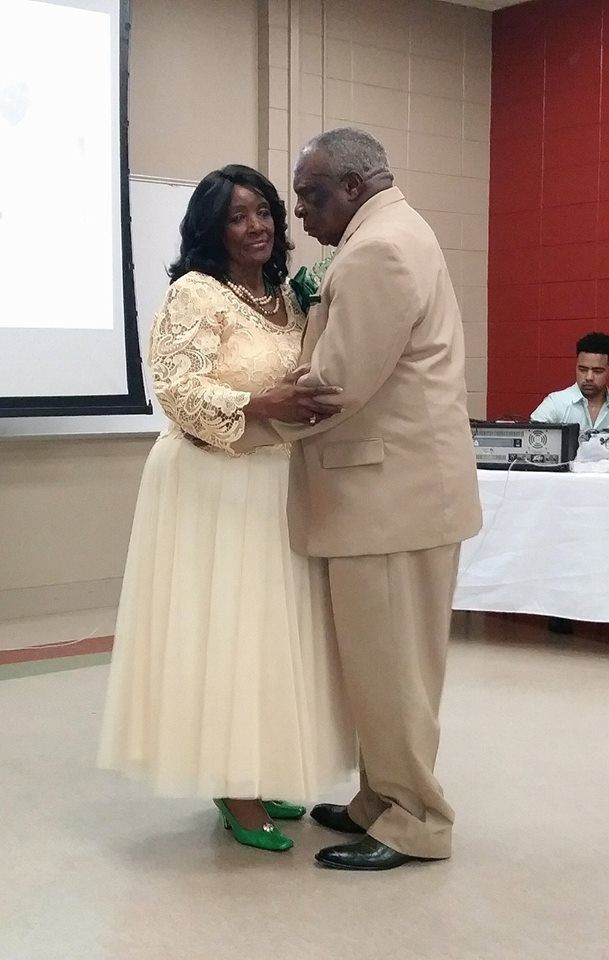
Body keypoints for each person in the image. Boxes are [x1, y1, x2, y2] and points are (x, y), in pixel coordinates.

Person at [243, 128, 482, 871]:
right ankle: (380, 800)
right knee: (380, 669)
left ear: (353, 187)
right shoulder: (393, 232)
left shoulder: (378, 250)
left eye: (310, 196)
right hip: (392, 495)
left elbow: (334, 386)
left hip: (388, 500)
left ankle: (417, 820)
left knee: (395, 675)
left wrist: (236, 419)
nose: (298, 214)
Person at [98, 164, 355, 852]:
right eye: (238, 217)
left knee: (269, 633)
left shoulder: (288, 296)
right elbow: (176, 389)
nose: (256, 226)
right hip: (212, 483)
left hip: (275, 482)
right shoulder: (194, 293)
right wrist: (260, 403)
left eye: (264, 211)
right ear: (212, 229)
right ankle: (233, 787)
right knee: (227, 631)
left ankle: (254, 766)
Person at [531, 331, 609, 431]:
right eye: (582, 369)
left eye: (597, 371)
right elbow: (530, 437)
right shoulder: (555, 404)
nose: (589, 377)